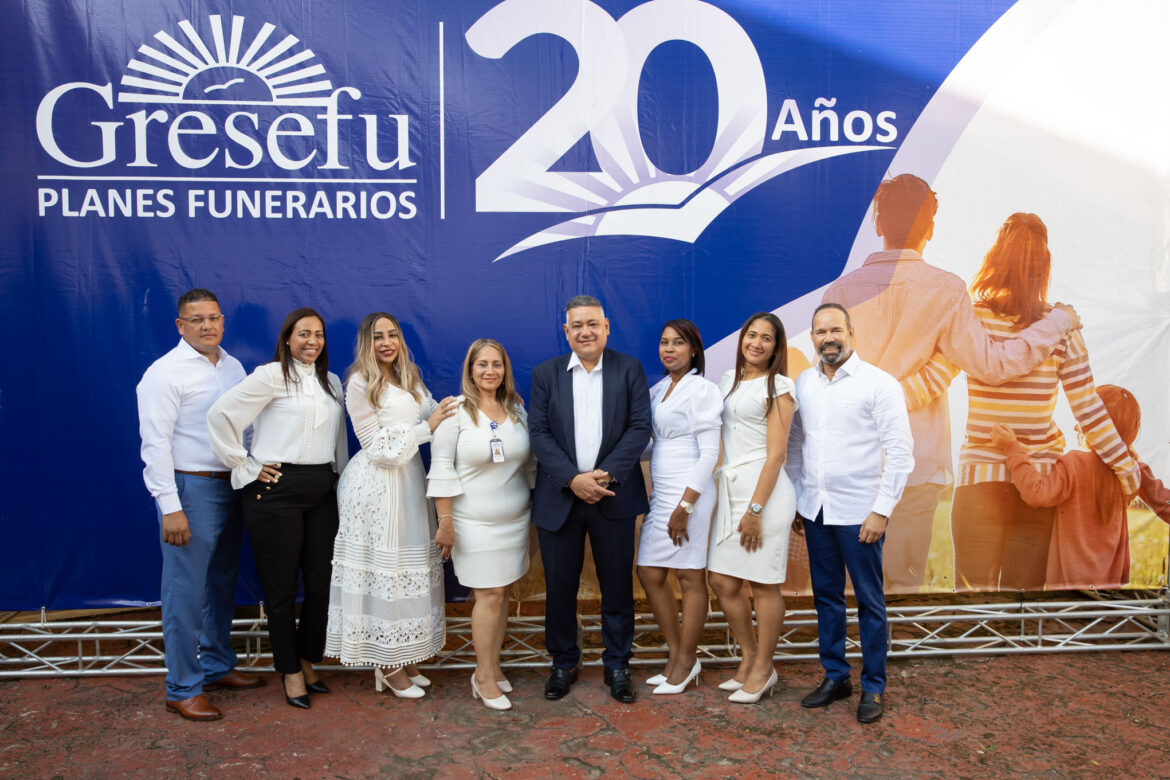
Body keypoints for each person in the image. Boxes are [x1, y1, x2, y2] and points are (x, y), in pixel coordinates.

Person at [822, 174, 1081, 591]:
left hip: (850, 463)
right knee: (902, 591)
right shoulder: (946, 290)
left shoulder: (839, 292)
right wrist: (1057, 323)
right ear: (930, 228)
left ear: (878, 225)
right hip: (916, 461)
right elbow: (992, 366)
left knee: (852, 588)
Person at [906, 214, 1139, 590]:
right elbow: (1089, 411)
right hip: (1039, 481)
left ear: (994, 259)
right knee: (1023, 605)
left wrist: (871, 398)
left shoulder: (972, 322)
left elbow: (932, 381)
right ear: (1045, 267)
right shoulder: (1063, 329)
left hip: (979, 476)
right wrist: (1125, 467)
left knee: (973, 599)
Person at [207, 307, 348, 709]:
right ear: (287, 338)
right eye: (303, 334)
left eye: (318, 335)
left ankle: (306, 659)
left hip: (321, 489)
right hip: (276, 492)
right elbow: (220, 416)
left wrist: (336, 479)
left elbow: (337, 440)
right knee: (282, 587)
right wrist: (246, 464)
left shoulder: (332, 381)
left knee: (321, 584)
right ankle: (288, 669)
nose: (312, 342)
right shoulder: (270, 375)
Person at [137, 288, 264, 721]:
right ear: (180, 325)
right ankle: (182, 687)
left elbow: (243, 427)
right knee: (184, 593)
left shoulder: (233, 366)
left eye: (213, 317)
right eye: (196, 319)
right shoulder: (164, 374)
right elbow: (154, 446)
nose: (207, 326)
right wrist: (170, 506)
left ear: (223, 320)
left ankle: (215, 665)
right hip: (189, 490)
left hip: (232, 486)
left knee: (221, 583)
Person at [787, 303, 914, 723]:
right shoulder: (804, 383)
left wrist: (880, 511)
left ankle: (873, 687)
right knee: (826, 598)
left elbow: (900, 454)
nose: (828, 338)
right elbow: (794, 447)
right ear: (813, 338)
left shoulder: (879, 384)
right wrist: (796, 501)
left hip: (861, 513)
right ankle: (836, 676)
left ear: (851, 333)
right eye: (820, 332)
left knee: (869, 602)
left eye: (836, 330)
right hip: (816, 510)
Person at [324, 313, 457, 698]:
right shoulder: (359, 383)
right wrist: (425, 428)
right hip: (375, 488)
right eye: (378, 336)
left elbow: (440, 411)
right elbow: (377, 448)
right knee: (387, 570)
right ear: (367, 341)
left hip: (410, 482)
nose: (387, 342)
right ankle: (387, 665)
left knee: (407, 568)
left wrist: (486, 404)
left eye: (393, 335)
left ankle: (405, 654)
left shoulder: (409, 376)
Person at [529, 295, 651, 703]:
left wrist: (603, 476)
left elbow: (639, 429)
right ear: (566, 331)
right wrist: (572, 479)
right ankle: (563, 662)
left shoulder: (628, 369)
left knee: (616, 587)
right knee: (560, 589)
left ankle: (617, 664)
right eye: (577, 325)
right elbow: (539, 434)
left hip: (612, 496)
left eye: (593, 324)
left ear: (606, 326)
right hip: (560, 499)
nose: (585, 331)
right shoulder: (546, 374)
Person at [427, 339, 535, 711]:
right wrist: (445, 522)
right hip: (472, 523)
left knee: (501, 594)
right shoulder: (454, 412)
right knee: (488, 595)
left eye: (497, 364)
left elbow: (529, 466)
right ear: (470, 369)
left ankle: (493, 665)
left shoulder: (518, 411)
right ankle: (483, 677)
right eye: (482, 364)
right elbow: (440, 470)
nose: (490, 371)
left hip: (515, 521)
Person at [706, 313, 797, 703]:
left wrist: (756, 510)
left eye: (767, 338)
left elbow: (776, 455)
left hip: (766, 494)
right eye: (752, 335)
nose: (757, 343)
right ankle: (748, 658)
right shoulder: (729, 380)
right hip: (731, 491)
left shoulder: (780, 386)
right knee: (723, 582)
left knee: (763, 583)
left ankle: (764, 667)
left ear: (777, 347)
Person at [990, 385, 1165, 588]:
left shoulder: (1074, 464)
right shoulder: (1134, 470)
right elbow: (1165, 504)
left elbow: (1037, 493)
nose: (1076, 427)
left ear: (1096, 428)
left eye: (1083, 420)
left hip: (1067, 592)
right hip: (1110, 593)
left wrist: (1013, 449)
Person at [636, 320, 721, 695]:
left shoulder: (701, 390)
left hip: (691, 492)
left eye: (678, 343)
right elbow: (655, 445)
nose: (669, 349)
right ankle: (678, 654)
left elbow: (710, 453)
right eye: (664, 342)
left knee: (689, 576)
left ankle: (686, 660)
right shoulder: (658, 390)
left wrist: (686, 505)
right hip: (663, 490)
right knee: (650, 573)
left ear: (693, 349)